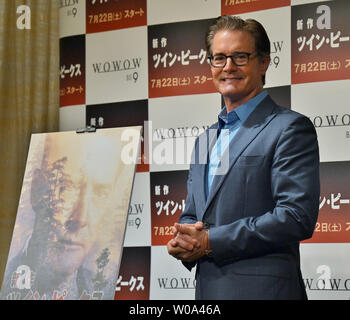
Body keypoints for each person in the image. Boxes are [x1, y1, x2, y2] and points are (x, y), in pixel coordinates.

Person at [167, 15, 320, 300]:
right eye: (219, 58)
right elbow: (194, 215)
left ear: (263, 62)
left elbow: (295, 216)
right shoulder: (205, 140)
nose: (228, 67)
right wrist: (184, 241)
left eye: (239, 56)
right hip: (208, 292)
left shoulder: (289, 128)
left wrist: (211, 241)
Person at [1, 131, 129, 300]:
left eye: (101, 193)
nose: (81, 218)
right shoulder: (8, 279)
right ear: (37, 190)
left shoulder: (103, 287)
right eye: (67, 187)